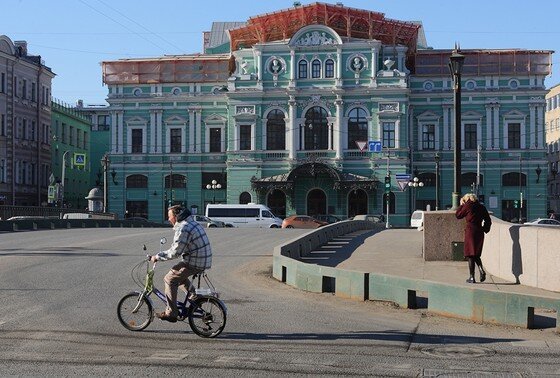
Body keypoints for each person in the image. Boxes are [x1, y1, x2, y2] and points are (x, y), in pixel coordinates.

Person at [149, 205, 212, 322]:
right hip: (201, 260)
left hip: (195, 262)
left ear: (177, 216)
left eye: (170, 216)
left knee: (170, 279)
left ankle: (171, 312)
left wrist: (157, 256)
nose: (168, 219)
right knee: (177, 273)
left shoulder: (183, 228)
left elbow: (175, 252)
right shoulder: (192, 223)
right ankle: (194, 296)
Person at [455, 193, 492, 284]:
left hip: (470, 231)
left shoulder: (468, 206)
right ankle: (481, 269)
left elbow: (458, 215)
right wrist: (484, 229)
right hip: (479, 231)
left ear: (467, 199)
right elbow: (488, 220)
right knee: (475, 253)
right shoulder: (481, 207)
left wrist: (461, 205)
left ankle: (472, 277)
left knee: (470, 254)